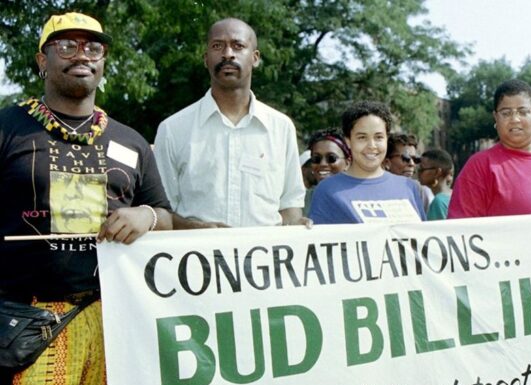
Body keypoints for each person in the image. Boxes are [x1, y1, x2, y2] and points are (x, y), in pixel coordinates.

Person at [0, 12, 172, 385]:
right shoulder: (9, 128)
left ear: (103, 61)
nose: (82, 55)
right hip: (27, 326)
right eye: (67, 45)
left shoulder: (131, 141)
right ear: (42, 60)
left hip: (115, 321)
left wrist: (145, 216)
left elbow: (165, 215)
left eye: (93, 47)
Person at [154, 18, 307, 228]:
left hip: (264, 258)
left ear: (255, 58)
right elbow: (161, 210)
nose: (227, 54)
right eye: (218, 46)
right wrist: (195, 229)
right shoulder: (173, 129)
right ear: (206, 59)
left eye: (238, 46)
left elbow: (290, 205)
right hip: (198, 257)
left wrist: (297, 226)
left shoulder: (281, 127)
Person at [447, 79, 531, 218]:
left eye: (523, 112)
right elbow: (462, 229)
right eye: (506, 113)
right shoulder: (480, 166)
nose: (515, 119)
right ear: (495, 117)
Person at [309, 101, 426, 224]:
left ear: (387, 138)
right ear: (348, 141)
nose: (371, 146)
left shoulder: (409, 187)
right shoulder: (327, 190)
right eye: (362, 137)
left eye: (378, 137)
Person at [304, 128, 350, 213]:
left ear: (347, 163)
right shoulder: (299, 202)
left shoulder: (361, 198)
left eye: (331, 158)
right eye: (316, 158)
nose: (323, 164)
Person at [384, 133, 434, 211]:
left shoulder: (419, 191)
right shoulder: (376, 191)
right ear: (387, 162)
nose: (412, 164)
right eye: (405, 158)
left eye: (415, 159)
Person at [418, 149, 454, 220]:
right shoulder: (454, 195)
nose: (418, 173)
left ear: (437, 172)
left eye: (422, 169)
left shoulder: (439, 202)